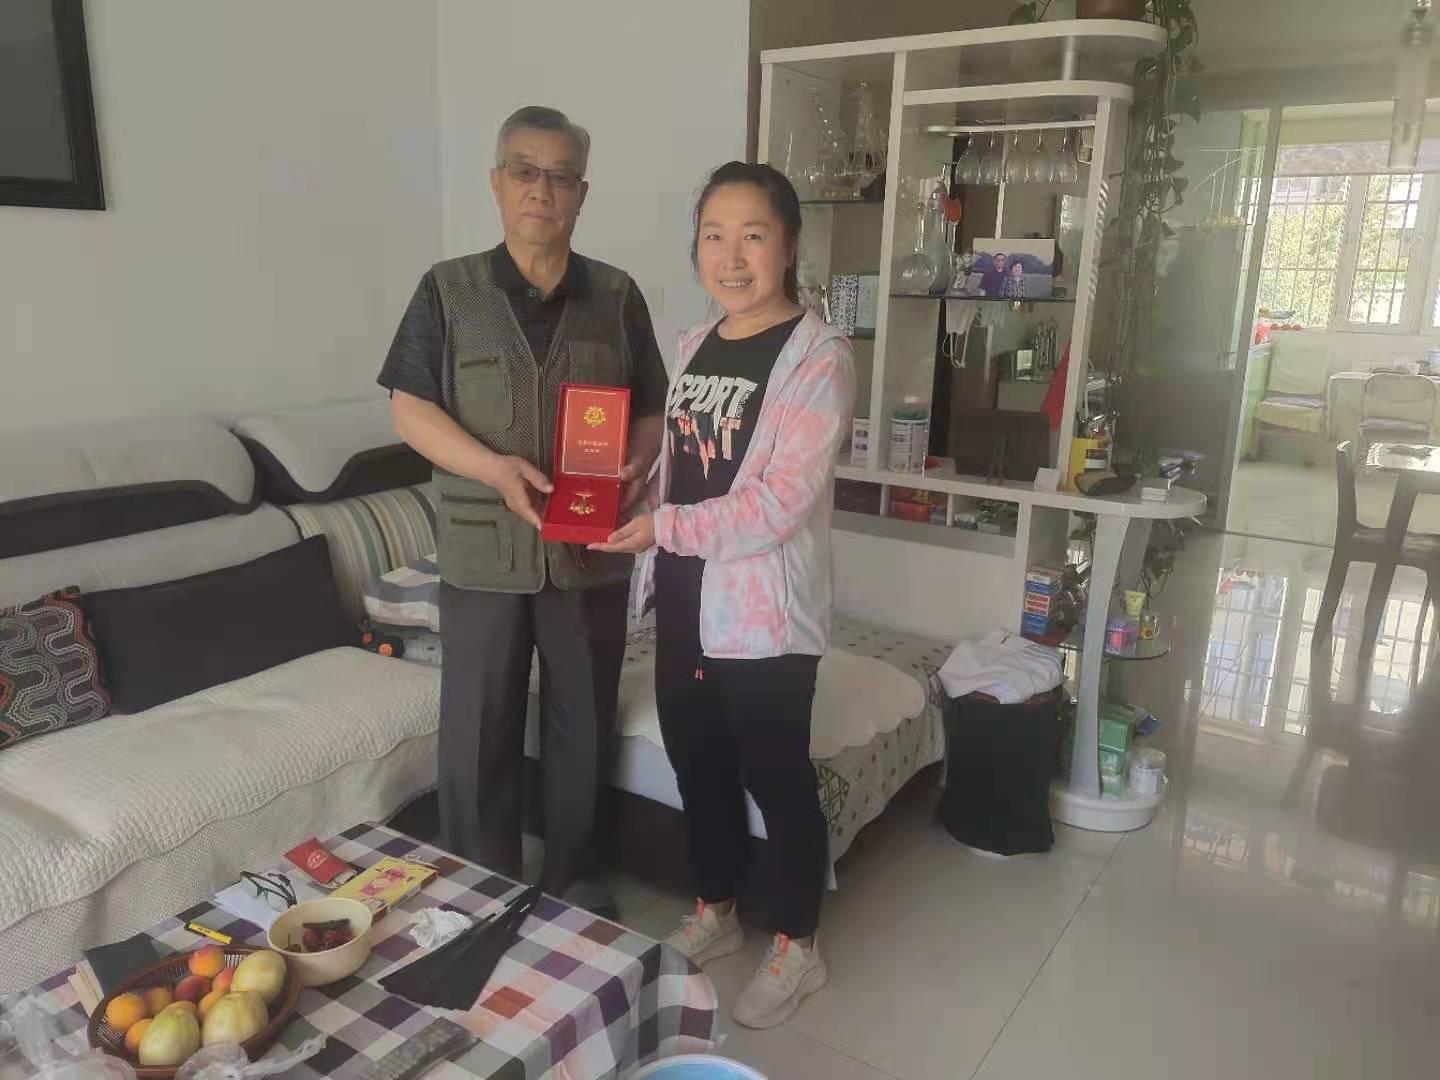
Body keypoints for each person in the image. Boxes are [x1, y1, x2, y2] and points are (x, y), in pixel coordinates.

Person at [377, 106, 668, 911]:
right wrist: (493, 468)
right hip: (483, 551)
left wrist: (638, 463)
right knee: (479, 727)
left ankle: (574, 882)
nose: (543, 190)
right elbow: (409, 407)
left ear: (582, 193)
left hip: (589, 551)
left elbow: (650, 406)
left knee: (584, 724)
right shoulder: (448, 290)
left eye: (562, 176)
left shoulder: (617, 295)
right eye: (526, 171)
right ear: (498, 182)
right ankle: (478, 888)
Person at [590, 162, 855, 1028]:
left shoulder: (819, 358)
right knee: (696, 764)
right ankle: (716, 910)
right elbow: (686, 467)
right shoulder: (695, 344)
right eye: (714, 235)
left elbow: (779, 504)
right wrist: (634, 488)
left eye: (753, 235)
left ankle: (798, 946)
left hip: (764, 616)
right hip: (684, 598)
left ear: (790, 245)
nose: (731, 257)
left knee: (777, 780)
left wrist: (661, 526)